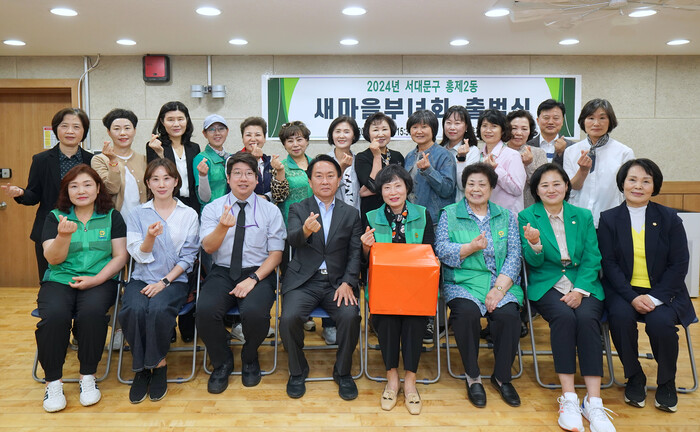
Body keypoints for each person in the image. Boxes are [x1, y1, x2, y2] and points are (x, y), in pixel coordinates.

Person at [519, 163, 616, 432]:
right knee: (563, 318)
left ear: (566, 186)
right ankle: (569, 397)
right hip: (547, 283)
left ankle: (594, 402)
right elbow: (533, 263)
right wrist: (535, 244)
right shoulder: (527, 216)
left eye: (556, 184)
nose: (551, 189)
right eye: (544, 185)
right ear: (536, 190)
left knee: (587, 319)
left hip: (583, 283)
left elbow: (592, 257)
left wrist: (580, 290)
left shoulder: (582, 215)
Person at [598, 159, 697, 414]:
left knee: (660, 323)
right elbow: (609, 264)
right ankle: (634, 376)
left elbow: (679, 264)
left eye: (646, 181)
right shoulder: (609, 219)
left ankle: (666, 382)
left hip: (663, 292)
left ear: (654, 186)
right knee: (620, 318)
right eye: (632, 180)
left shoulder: (669, 218)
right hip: (624, 291)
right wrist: (632, 297)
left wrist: (654, 298)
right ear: (622, 183)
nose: (638, 186)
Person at [37, 164, 128, 412]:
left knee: (92, 314)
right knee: (54, 316)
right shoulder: (55, 217)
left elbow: (120, 256)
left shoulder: (112, 217)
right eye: (74, 186)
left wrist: (96, 280)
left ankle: (88, 376)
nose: (81, 191)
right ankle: (53, 382)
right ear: (66, 191)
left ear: (98, 188)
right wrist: (63, 236)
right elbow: (52, 258)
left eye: (87, 185)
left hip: (100, 279)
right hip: (60, 279)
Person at [196, 152, 286, 393]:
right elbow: (208, 248)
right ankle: (222, 362)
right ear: (228, 178)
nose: (243, 179)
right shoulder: (214, 208)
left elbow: (276, 254)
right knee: (205, 311)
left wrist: (253, 279)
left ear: (257, 179)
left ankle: (249, 357)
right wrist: (222, 227)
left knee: (256, 313)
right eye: (237, 173)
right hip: (222, 271)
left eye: (249, 174)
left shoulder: (270, 211)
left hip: (259, 272)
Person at [435, 162, 523, 408]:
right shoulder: (450, 214)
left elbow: (514, 255)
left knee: (509, 316)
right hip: (463, 283)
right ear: (464, 187)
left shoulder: (506, 216)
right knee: (466, 315)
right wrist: (469, 248)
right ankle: (473, 376)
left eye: (482, 184)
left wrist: (499, 290)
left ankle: (502, 377)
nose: (476, 189)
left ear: (492, 188)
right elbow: (441, 249)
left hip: (500, 283)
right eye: (471, 184)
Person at [280, 155, 362, 401]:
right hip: (304, 282)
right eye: (319, 176)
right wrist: (305, 230)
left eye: (330, 176)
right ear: (310, 180)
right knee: (289, 318)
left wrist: (348, 282)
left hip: (337, 283)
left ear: (338, 179)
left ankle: (343, 372)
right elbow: (292, 240)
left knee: (350, 316)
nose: (325, 181)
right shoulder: (298, 208)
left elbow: (355, 252)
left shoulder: (351, 213)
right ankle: (297, 371)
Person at [119, 158, 199, 404]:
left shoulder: (188, 214)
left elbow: (189, 257)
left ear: (176, 182)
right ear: (148, 183)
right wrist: (150, 238)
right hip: (142, 277)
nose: (161, 184)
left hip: (174, 280)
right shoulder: (137, 213)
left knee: (158, 308)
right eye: (155, 179)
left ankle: (158, 365)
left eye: (167, 178)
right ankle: (142, 368)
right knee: (133, 309)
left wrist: (164, 282)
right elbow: (138, 254)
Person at [360, 164, 434, 415]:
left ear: (407, 188)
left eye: (397, 186)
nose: (393, 192)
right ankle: (392, 378)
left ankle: (410, 382)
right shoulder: (371, 217)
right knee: (387, 321)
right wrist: (365, 247)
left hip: (416, 288)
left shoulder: (422, 214)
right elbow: (363, 262)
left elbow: (430, 254)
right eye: (387, 187)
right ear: (380, 192)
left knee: (414, 322)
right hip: (384, 288)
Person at [2, 108, 93, 280]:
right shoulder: (41, 160)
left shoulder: (92, 160)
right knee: (49, 280)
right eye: (64, 126)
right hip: (49, 228)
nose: (70, 131)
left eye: (76, 127)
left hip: (85, 227)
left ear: (84, 131)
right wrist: (20, 193)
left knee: (83, 278)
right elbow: (33, 195)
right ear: (56, 129)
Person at [563, 98, 634, 227]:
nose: (596, 123)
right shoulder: (571, 151)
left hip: (612, 220)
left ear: (610, 121)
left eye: (602, 118)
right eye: (591, 118)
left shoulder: (624, 152)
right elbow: (571, 188)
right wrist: (583, 171)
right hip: (578, 219)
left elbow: (628, 191)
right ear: (583, 121)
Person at [91, 108, 147, 221]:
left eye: (127, 128)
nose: (122, 133)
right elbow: (111, 189)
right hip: (115, 222)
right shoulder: (99, 159)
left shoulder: (144, 159)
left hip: (142, 221)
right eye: (116, 129)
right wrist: (112, 161)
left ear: (135, 130)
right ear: (108, 132)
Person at [147, 101, 201, 214]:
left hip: (192, 204)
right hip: (167, 204)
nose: (176, 124)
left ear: (187, 120)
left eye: (180, 119)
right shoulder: (154, 145)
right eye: (170, 120)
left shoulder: (194, 148)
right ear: (162, 122)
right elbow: (156, 175)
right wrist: (160, 154)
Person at [354, 112, 405, 218]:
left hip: (398, 212)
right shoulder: (362, 157)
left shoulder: (397, 156)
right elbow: (373, 186)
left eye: (385, 129)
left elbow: (403, 186)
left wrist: (366, 191)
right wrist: (377, 156)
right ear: (368, 133)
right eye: (375, 130)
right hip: (372, 212)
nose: (380, 134)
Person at [476, 109, 526, 214]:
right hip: (484, 215)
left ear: (502, 130)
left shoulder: (512, 155)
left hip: (507, 216)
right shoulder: (478, 155)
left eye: (493, 126)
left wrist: (496, 169)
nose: (488, 130)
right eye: (484, 126)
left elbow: (517, 190)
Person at [270, 120, 313, 224]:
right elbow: (278, 197)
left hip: (315, 217)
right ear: (284, 145)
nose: (295, 145)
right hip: (291, 221)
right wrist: (280, 171)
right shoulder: (280, 166)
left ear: (307, 141)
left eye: (299, 140)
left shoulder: (316, 164)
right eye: (290, 141)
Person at [506, 110, 546, 209]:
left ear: (530, 131)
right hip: (503, 209)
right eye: (514, 128)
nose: (519, 133)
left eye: (524, 129)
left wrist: (529, 165)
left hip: (530, 209)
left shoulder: (539, 153)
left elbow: (542, 185)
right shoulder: (499, 152)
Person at [439, 105, 480, 202]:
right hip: (440, 206)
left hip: (461, 205)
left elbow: (463, 185)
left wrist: (462, 158)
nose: (452, 127)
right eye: (448, 123)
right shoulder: (439, 150)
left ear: (466, 127)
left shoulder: (473, 151)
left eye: (457, 123)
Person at [193, 114, 231, 206]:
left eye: (221, 128)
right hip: (211, 211)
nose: (217, 133)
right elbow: (204, 198)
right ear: (204, 134)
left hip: (230, 210)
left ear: (227, 131)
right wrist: (203, 176)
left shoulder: (230, 158)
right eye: (211, 129)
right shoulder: (202, 159)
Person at [326, 116, 361, 212]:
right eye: (337, 132)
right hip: (331, 215)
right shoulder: (324, 161)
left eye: (346, 132)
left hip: (355, 215)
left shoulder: (359, 160)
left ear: (354, 136)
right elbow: (324, 189)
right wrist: (341, 168)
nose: (341, 136)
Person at [527, 99, 574, 166]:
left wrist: (561, 153)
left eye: (556, 118)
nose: (550, 122)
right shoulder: (527, 146)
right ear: (538, 121)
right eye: (546, 118)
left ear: (562, 121)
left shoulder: (572, 147)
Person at [239, 116, 273, 200]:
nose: (253, 139)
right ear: (242, 138)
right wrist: (254, 161)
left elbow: (276, 191)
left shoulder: (270, 161)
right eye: (248, 135)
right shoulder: (232, 160)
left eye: (258, 135)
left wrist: (266, 197)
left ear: (264, 138)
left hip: (266, 206)